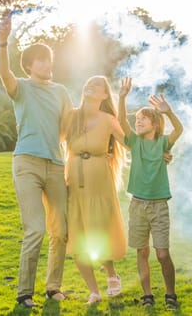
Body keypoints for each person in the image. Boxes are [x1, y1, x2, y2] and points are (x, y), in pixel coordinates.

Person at [0, 14, 73, 308]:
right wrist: (3, 42)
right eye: (41, 60)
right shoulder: (21, 88)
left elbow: (69, 127)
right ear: (29, 65)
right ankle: (24, 292)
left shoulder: (61, 92)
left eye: (49, 58)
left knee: (60, 231)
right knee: (35, 229)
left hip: (55, 165)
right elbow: (4, 73)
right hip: (27, 163)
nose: (47, 63)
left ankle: (53, 287)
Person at [118, 77, 184, 310]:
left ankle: (170, 294)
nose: (138, 122)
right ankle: (147, 295)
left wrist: (169, 112)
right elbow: (120, 121)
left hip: (158, 206)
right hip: (137, 205)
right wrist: (122, 97)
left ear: (155, 123)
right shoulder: (134, 143)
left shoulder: (164, 144)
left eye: (143, 118)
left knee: (163, 254)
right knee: (142, 251)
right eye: (137, 119)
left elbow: (179, 129)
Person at [64, 75, 127, 304]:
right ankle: (93, 291)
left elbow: (130, 143)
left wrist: (159, 152)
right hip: (74, 179)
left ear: (104, 95)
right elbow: (53, 137)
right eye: (88, 83)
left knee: (99, 228)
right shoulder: (71, 116)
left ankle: (111, 274)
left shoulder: (108, 119)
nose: (90, 86)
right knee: (77, 232)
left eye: (97, 85)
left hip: (100, 181)